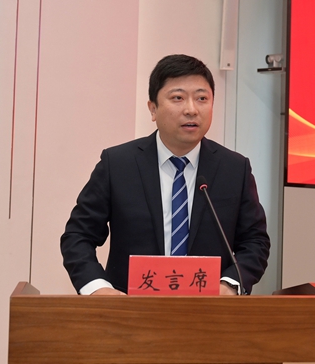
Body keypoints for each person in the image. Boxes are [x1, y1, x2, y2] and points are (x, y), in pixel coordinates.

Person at [60, 54, 269, 295]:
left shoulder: (234, 169)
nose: (191, 110)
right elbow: (78, 236)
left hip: (208, 309)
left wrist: (229, 285)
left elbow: (255, 242)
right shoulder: (118, 165)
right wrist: (99, 289)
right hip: (130, 308)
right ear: (153, 109)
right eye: (178, 98)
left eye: (202, 98)